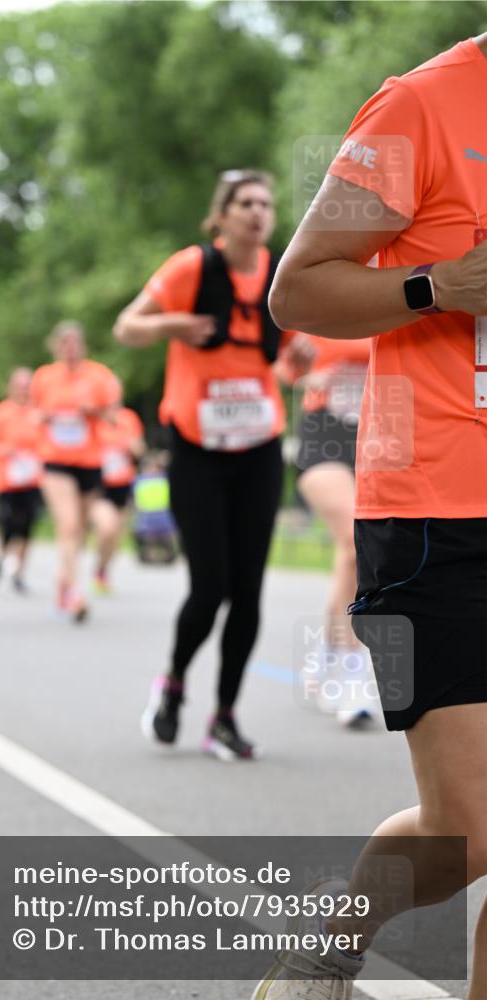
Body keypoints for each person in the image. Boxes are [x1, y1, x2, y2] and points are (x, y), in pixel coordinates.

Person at [251, 33, 487, 999]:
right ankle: (334, 937)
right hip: (437, 508)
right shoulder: (423, 106)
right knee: (470, 826)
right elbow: (296, 290)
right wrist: (434, 285)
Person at [115, 169, 314, 761]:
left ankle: (224, 715)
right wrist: (171, 324)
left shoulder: (283, 276)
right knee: (210, 586)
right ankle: (174, 681)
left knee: (249, 592)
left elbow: (276, 370)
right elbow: (126, 328)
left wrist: (296, 363)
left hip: (257, 448)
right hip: (197, 451)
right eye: (245, 202)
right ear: (221, 215)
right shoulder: (191, 269)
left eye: (266, 203)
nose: (258, 212)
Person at [290, 335, 378, 726]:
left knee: (351, 556)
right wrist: (306, 377)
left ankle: (326, 649)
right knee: (355, 543)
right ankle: (351, 673)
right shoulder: (314, 298)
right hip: (325, 436)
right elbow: (280, 369)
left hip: (383, 433)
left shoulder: (401, 294)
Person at [30, 321, 122, 621]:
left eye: (75, 343)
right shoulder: (44, 378)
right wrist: (44, 416)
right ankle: (74, 593)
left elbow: (114, 418)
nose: (70, 349)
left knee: (79, 531)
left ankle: (63, 580)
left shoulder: (98, 376)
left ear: (82, 347)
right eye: (64, 343)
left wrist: (92, 411)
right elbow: (30, 415)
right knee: (68, 525)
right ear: (56, 347)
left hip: (89, 463)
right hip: (55, 462)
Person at [0, 367, 43, 594]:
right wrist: (5, 451)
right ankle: (3, 555)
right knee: (7, 523)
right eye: (19, 385)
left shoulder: (38, 412)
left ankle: (18, 573)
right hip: (6, 478)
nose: (23, 390)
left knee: (27, 526)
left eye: (27, 386)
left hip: (32, 478)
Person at [90, 405, 145, 593]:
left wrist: (131, 444)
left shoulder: (128, 418)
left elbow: (139, 450)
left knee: (116, 535)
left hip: (122, 484)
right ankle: (99, 566)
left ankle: (103, 570)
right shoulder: (93, 418)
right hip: (99, 485)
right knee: (107, 527)